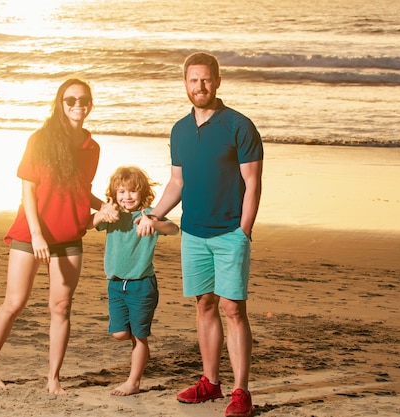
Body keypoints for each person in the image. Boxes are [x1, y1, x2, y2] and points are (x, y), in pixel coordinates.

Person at [137, 52, 263, 416]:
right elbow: (177, 182)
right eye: (193, 80)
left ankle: (241, 391)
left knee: (232, 308)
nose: (200, 87)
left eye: (206, 79)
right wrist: (154, 212)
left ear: (218, 81)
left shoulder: (239, 125)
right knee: (204, 304)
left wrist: (244, 231)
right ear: (185, 84)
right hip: (192, 233)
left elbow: (252, 184)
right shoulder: (179, 130)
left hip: (229, 233)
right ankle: (210, 382)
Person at [0, 78, 119, 395]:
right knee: (14, 303)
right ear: (60, 103)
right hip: (32, 233)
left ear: (90, 104)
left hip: (69, 234)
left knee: (61, 307)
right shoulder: (40, 140)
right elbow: (28, 189)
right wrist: (37, 234)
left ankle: (53, 378)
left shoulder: (91, 147)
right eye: (70, 100)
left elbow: (80, 190)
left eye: (83, 100)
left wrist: (103, 206)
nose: (77, 105)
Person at [89, 166, 179, 396]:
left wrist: (154, 223)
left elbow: (173, 229)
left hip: (142, 285)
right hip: (116, 284)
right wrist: (102, 212)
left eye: (132, 192)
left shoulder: (149, 215)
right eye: (121, 191)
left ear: (142, 193)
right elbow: (91, 223)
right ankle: (140, 348)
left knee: (140, 337)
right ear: (114, 193)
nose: (126, 197)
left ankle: (134, 381)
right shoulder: (112, 214)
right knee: (119, 333)